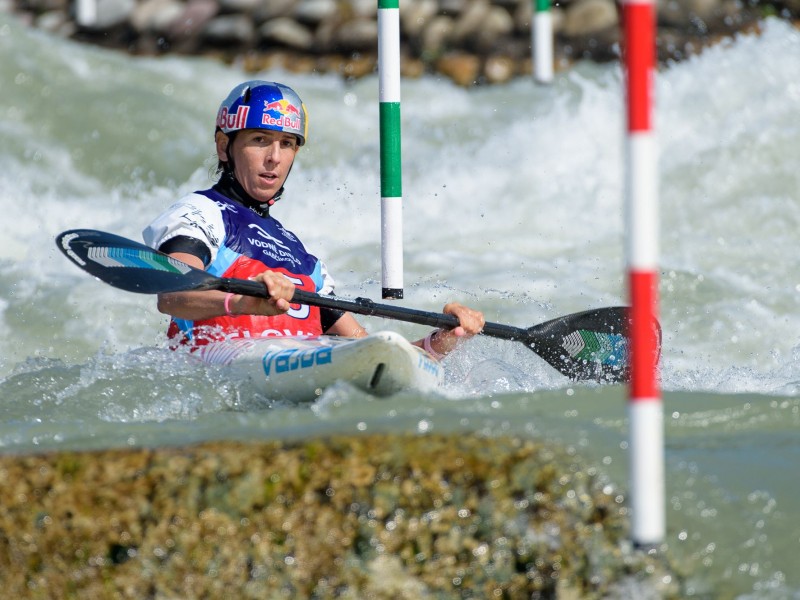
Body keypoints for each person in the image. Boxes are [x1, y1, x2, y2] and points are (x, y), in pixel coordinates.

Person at [142, 80, 484, 359]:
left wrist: (447, 337)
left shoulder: (304, 260)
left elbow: (377, 357)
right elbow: (172, 295)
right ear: (223, 146)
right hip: (211, 372)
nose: (274, 158)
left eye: (287, 143)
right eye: (260, 140)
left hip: (292, 374)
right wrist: (245, 303)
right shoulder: (200, 212)